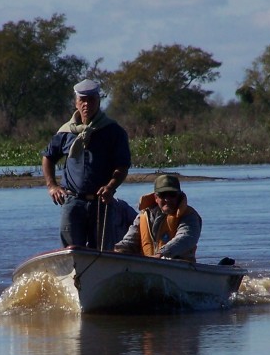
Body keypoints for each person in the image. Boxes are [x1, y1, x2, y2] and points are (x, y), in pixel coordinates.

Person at [42, 78, 133, 249]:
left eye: (91, 99)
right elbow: (48, 157)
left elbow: (122, 166)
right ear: (76, 103)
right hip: (72, 201)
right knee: (71, 250)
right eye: (82, 100)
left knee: (101, 252)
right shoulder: (66, 132)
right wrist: (52, 185)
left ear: (98, 101)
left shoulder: (113, 131)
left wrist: (111, 187)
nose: (86, 104)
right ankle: (75, 277)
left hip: (101, 202)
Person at [113, 174, 202, 262]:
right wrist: (118, 250)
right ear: (156, 197)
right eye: (163, 195)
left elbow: (186, 237)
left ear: (178, 196)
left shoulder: (189, 216)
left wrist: (162, 253)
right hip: (149, 268)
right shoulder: (143, 216)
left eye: (172, 195)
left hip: (180, 269)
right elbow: (130, 240)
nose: (167, 199)